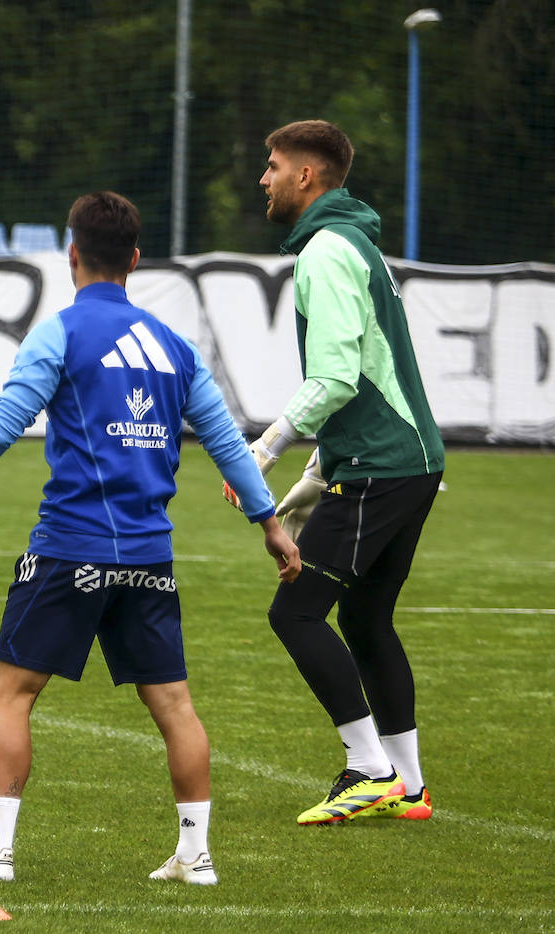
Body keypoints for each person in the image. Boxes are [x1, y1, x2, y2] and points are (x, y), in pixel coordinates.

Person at [0, 191, 300, 885]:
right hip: (149, 554)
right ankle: (196, 855)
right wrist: (269, 523)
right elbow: (230, 446)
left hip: (69, 547)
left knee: (13, 692)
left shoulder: (60, 333)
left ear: (72, 253)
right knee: (174, 704)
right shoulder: (175, 348)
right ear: (135, 259)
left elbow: (2, 423)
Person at [236, 119, 444, 824]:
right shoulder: (356, 242)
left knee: (294, 611)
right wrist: (322, 470)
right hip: (409, 462)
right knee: (364, 614)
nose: (262, 178)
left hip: (383, 467)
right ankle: (409, 787)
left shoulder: (325, 250)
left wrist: (261, 453)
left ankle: (367, 767)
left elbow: (333, 378)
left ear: (307, 175)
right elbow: (367, 371)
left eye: (271, 166)